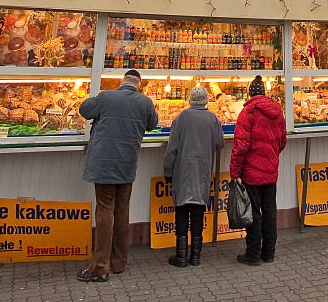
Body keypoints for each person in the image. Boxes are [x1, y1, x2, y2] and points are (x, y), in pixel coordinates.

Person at [77, 70, 158, 282]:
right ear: (138, 84)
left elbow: (84, 110)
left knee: (105, 212)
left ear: (122, 82)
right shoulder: (145, 102)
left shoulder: (105, 97)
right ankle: (118, 262)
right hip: (127, 164)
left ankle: (100, 268)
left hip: (104, 165)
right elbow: (153, 124)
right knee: (122, 211)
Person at [163, 85, 224, 268]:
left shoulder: (181, 118)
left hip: (183, 170)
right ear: (206, 100)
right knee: (198, 211)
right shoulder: (213, 119)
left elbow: (172, 148)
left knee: (181, 211)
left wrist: (167, 171)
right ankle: (196, 256)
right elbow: (219, 143)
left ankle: (181, 257)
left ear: (190, 100)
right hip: (203, 171)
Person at [229, 75, 286, 266]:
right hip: (270, 171)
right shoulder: (277, 111)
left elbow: (241, 146)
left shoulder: (248, 112)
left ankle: (253, 254)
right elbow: (282, 141)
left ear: (250, 94)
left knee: (253, 213)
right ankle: (269, 253)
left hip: (252, 173)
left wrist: (235, 172)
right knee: (270, 211)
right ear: (264, 93)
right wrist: (271, 157)